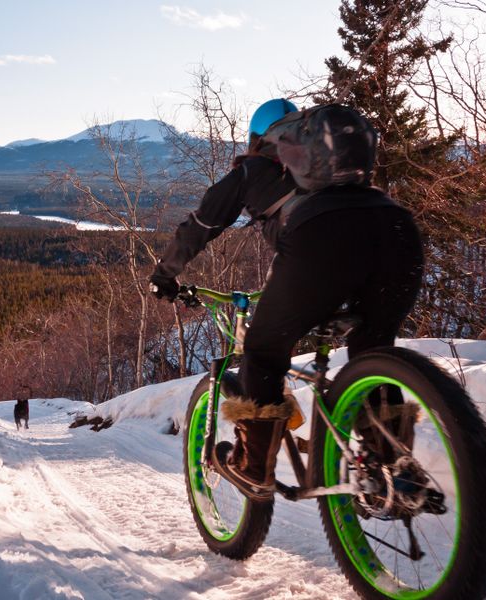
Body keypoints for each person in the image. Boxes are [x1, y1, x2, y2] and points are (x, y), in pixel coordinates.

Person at [149, 98, 424, 501]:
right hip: (398, 232)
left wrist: (164, 275)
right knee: (371, 349)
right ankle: (394, 470)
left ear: (258, 139)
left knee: (262, 350)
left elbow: (201, 225)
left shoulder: (253, 169)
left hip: (320, 243)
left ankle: (254, 466)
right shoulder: (333, 168)